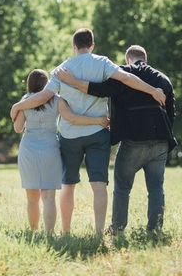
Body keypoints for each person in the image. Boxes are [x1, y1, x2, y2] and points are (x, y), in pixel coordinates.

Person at [10, 28, 166, 235]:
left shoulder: (61, 69)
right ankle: (99, 233)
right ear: (92, 45)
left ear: (74, 46)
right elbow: (127, 78)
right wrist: (152, 90)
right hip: (98, 131)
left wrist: (17, 106)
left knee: (68, 185)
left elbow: (42, 97)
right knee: (99, 185)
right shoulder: (102, 63)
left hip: (69, 136)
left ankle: (65, 232)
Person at [55, 45, 177, 236]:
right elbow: (171, 114)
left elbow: (99, 90)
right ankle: (154, 230)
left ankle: (118, 229)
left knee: (122, 187)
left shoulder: (123, 75)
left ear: (127, 59)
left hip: (133, 140)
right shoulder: (163, 79)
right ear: (146, 58)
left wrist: (71, 81)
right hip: (160, 140)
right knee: (156, 188)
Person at [13, 69, 110, 234]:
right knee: (48, 197)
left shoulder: (24, 102)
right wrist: (98, 121)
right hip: (50, 149)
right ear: (46, 84)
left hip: (28, 150)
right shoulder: (57, 100)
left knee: (32, 198)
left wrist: (15, 111)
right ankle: (50, 234)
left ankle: (34, 231)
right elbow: (72, 118)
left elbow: (17, 128)